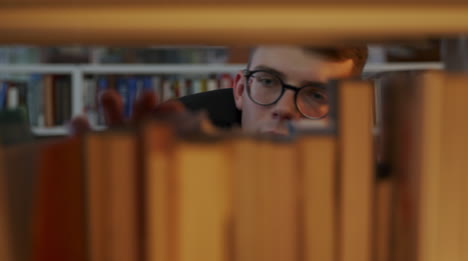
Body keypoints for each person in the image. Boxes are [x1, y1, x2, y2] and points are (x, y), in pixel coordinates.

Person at [71, 45, 368, 136]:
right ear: (240, 89)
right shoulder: (178, 161)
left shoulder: (368, 193)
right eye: (267, 81)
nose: (284, 109)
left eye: (316, 95)